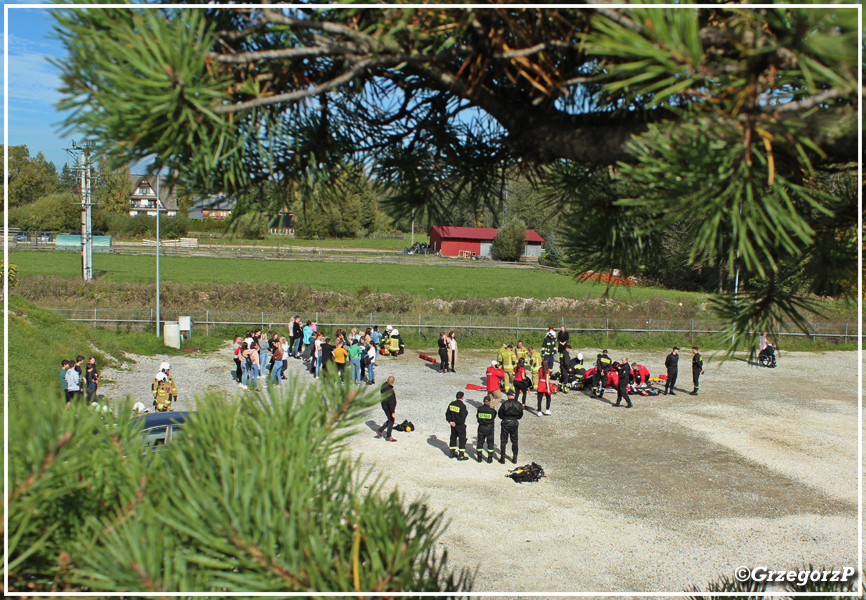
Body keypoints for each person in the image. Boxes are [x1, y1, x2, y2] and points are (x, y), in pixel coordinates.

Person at [498, 390, 524, 464]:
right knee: (514, 441)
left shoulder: (504, 404)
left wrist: (505, 418)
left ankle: (502, 458)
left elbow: (500, 414)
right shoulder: (518, 404)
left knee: (503, 440)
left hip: (505, 422)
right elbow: (520, 415)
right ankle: (515, 458)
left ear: (508, 396)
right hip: (514, 423)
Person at [446, 391, 469, 461]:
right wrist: (456, 423)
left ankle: (452, 453)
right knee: (462, 439)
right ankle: (461, 455)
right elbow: (462, 417)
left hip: (452, 425)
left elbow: (447, 414)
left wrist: (450, 421)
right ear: (462, 397)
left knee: (453, 437)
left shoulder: (451, 404)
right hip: (459, 425)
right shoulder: (462, 406)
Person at [475, 396, 497, 463]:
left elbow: (477, 416)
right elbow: (494, 416)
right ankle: (489, 458)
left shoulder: (479, 409)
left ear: (483, 401)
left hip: (481, 427)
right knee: (490, 442)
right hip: (489, 427)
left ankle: (479, 458)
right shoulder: (492, 411)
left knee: (480, 442)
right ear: (490, 402)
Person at [376, 376, 397, 442]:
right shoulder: (389, 390)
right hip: (388, 407)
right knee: (391, 420)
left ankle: (380, 430)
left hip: (384, 405)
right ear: (393, 382)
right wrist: (393, 412)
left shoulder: (383, 385)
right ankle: (388, 436)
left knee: (390, 419)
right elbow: (391, 402)